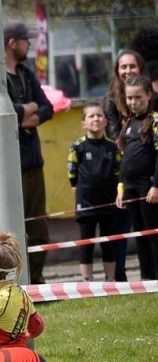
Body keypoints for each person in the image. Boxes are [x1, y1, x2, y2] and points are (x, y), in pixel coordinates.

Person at [0, 20, 53, 282]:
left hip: (32, 163)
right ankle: (5, 280)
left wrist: (22, 116)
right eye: (25, 41)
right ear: (12, 43)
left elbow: (46, 107)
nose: (29, 45)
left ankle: (36, 280)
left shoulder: (26, 74)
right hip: (5, 167)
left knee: (38, 229)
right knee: (5, 231)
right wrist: (26, 109)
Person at [68, 104, 126, 282]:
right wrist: (74, 185)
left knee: (109, 243)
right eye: (91, 116)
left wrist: (119, 191)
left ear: (106, 121)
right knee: (86, 243)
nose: (96, 119)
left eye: (99, 116)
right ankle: (87, 281)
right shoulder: (77, 146)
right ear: (83, 123)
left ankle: (110, 279)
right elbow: (71, 170)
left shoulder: (112, 147)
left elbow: (119, 171)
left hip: (108, 201)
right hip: (86, 202)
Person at [118, 75, 158, 281]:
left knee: (153, 234)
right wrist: (121, 187)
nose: (133, 102)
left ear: (149, 95)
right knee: (139, 234)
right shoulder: (129, 122)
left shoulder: (155, 121)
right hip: (130, 186)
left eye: (138, 98)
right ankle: (146, 278)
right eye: (129, 98)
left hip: (148, 187)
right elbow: (124, 158)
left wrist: (156, 185)